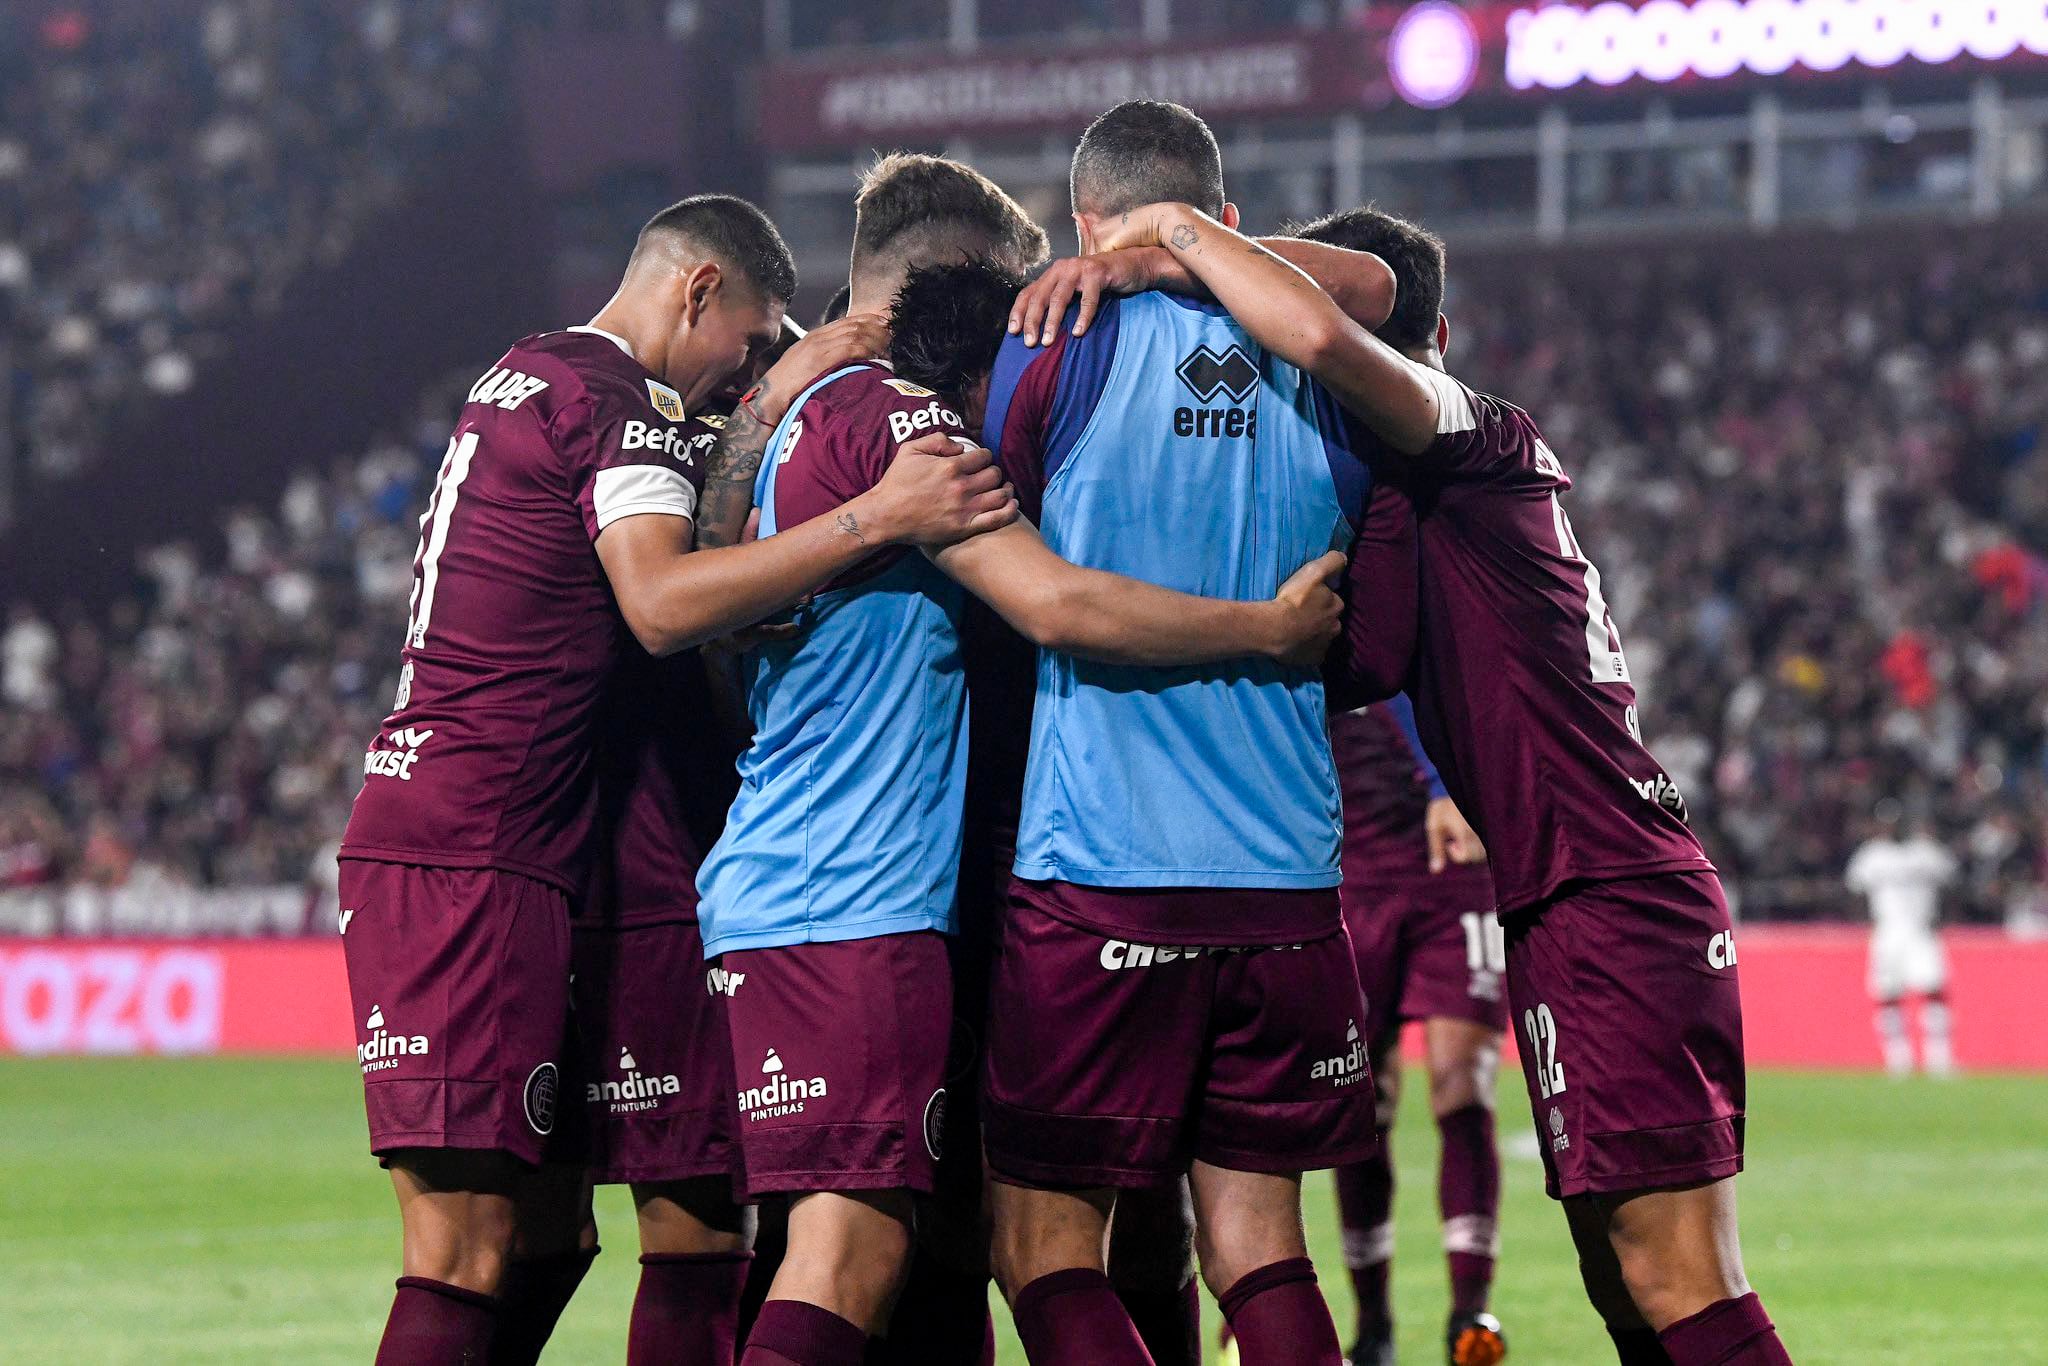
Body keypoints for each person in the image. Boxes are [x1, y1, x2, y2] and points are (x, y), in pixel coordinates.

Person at [1078, 197, 1794, 1364]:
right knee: (1622, 1281)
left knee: (1676, 1273)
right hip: (1565, 897)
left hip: (1609, 890)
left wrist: (1168, 238)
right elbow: (1345, 665)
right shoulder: (1406, 504)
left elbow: (1318, 342)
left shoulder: (1476, 435)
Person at [335, 193, 1019, 1366]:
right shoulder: (621, 404)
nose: (736, 377)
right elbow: (658, 604)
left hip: (545, 836)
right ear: (697, 290)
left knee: (586, 1226)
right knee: (463, 1245)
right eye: (746, 344)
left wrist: (768, 388)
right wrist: (876, 510)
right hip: (480, 846)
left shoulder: (528, 374)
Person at [689, 152, 1349, 1366]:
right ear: (953, 293)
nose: (1033, 331)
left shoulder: (784, 423)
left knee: (857, 1253)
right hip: (869, 900)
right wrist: (1265, 629)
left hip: (787, 884)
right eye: (1013, 305)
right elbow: (1054, 604)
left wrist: (766, 390)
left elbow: (694, 585)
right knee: (884, 1254)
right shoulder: (913, 435)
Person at [952, 101, 1411, 1366]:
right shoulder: (1336, 369)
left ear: (1078, 227)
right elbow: (1373, 285)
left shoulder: (1049, 347)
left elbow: (1017, 591)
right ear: (1230, 217)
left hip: (1103, 864)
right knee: (1259, 1243)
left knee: (1043, 1245)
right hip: (1284, 874)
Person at [1331, 698, 1508, 1366]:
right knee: (1361, 1100)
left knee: (1462, 1083)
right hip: (1351, 862)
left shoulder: (1441, 589)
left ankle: (1470, 1315)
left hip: (1457, 858)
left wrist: (1445, 782)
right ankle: (1373, 1325)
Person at [1845, 805, 1959, 1077]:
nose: (1891, 827)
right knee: (1887, 993)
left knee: (1934, 989)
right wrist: (1865, 922)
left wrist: (1942, 916)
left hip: (1920, 930)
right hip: (1887, 932)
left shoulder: (1926, 852)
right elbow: (1854, 891)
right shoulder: (1872, 855)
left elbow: (1952, 883)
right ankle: (1898, 1060)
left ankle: (1938, 1058)